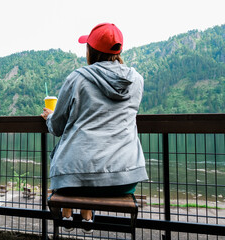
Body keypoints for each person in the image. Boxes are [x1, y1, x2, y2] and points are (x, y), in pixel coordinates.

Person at [41, 23, 148, 233]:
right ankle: (86, 217)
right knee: (89, 168)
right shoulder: (136, 81)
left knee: (78, 167)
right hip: (124, 179)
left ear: (91, 51)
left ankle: (69, 215)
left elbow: (57, 127)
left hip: (76, 179)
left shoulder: (78, 78)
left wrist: (49, 117)